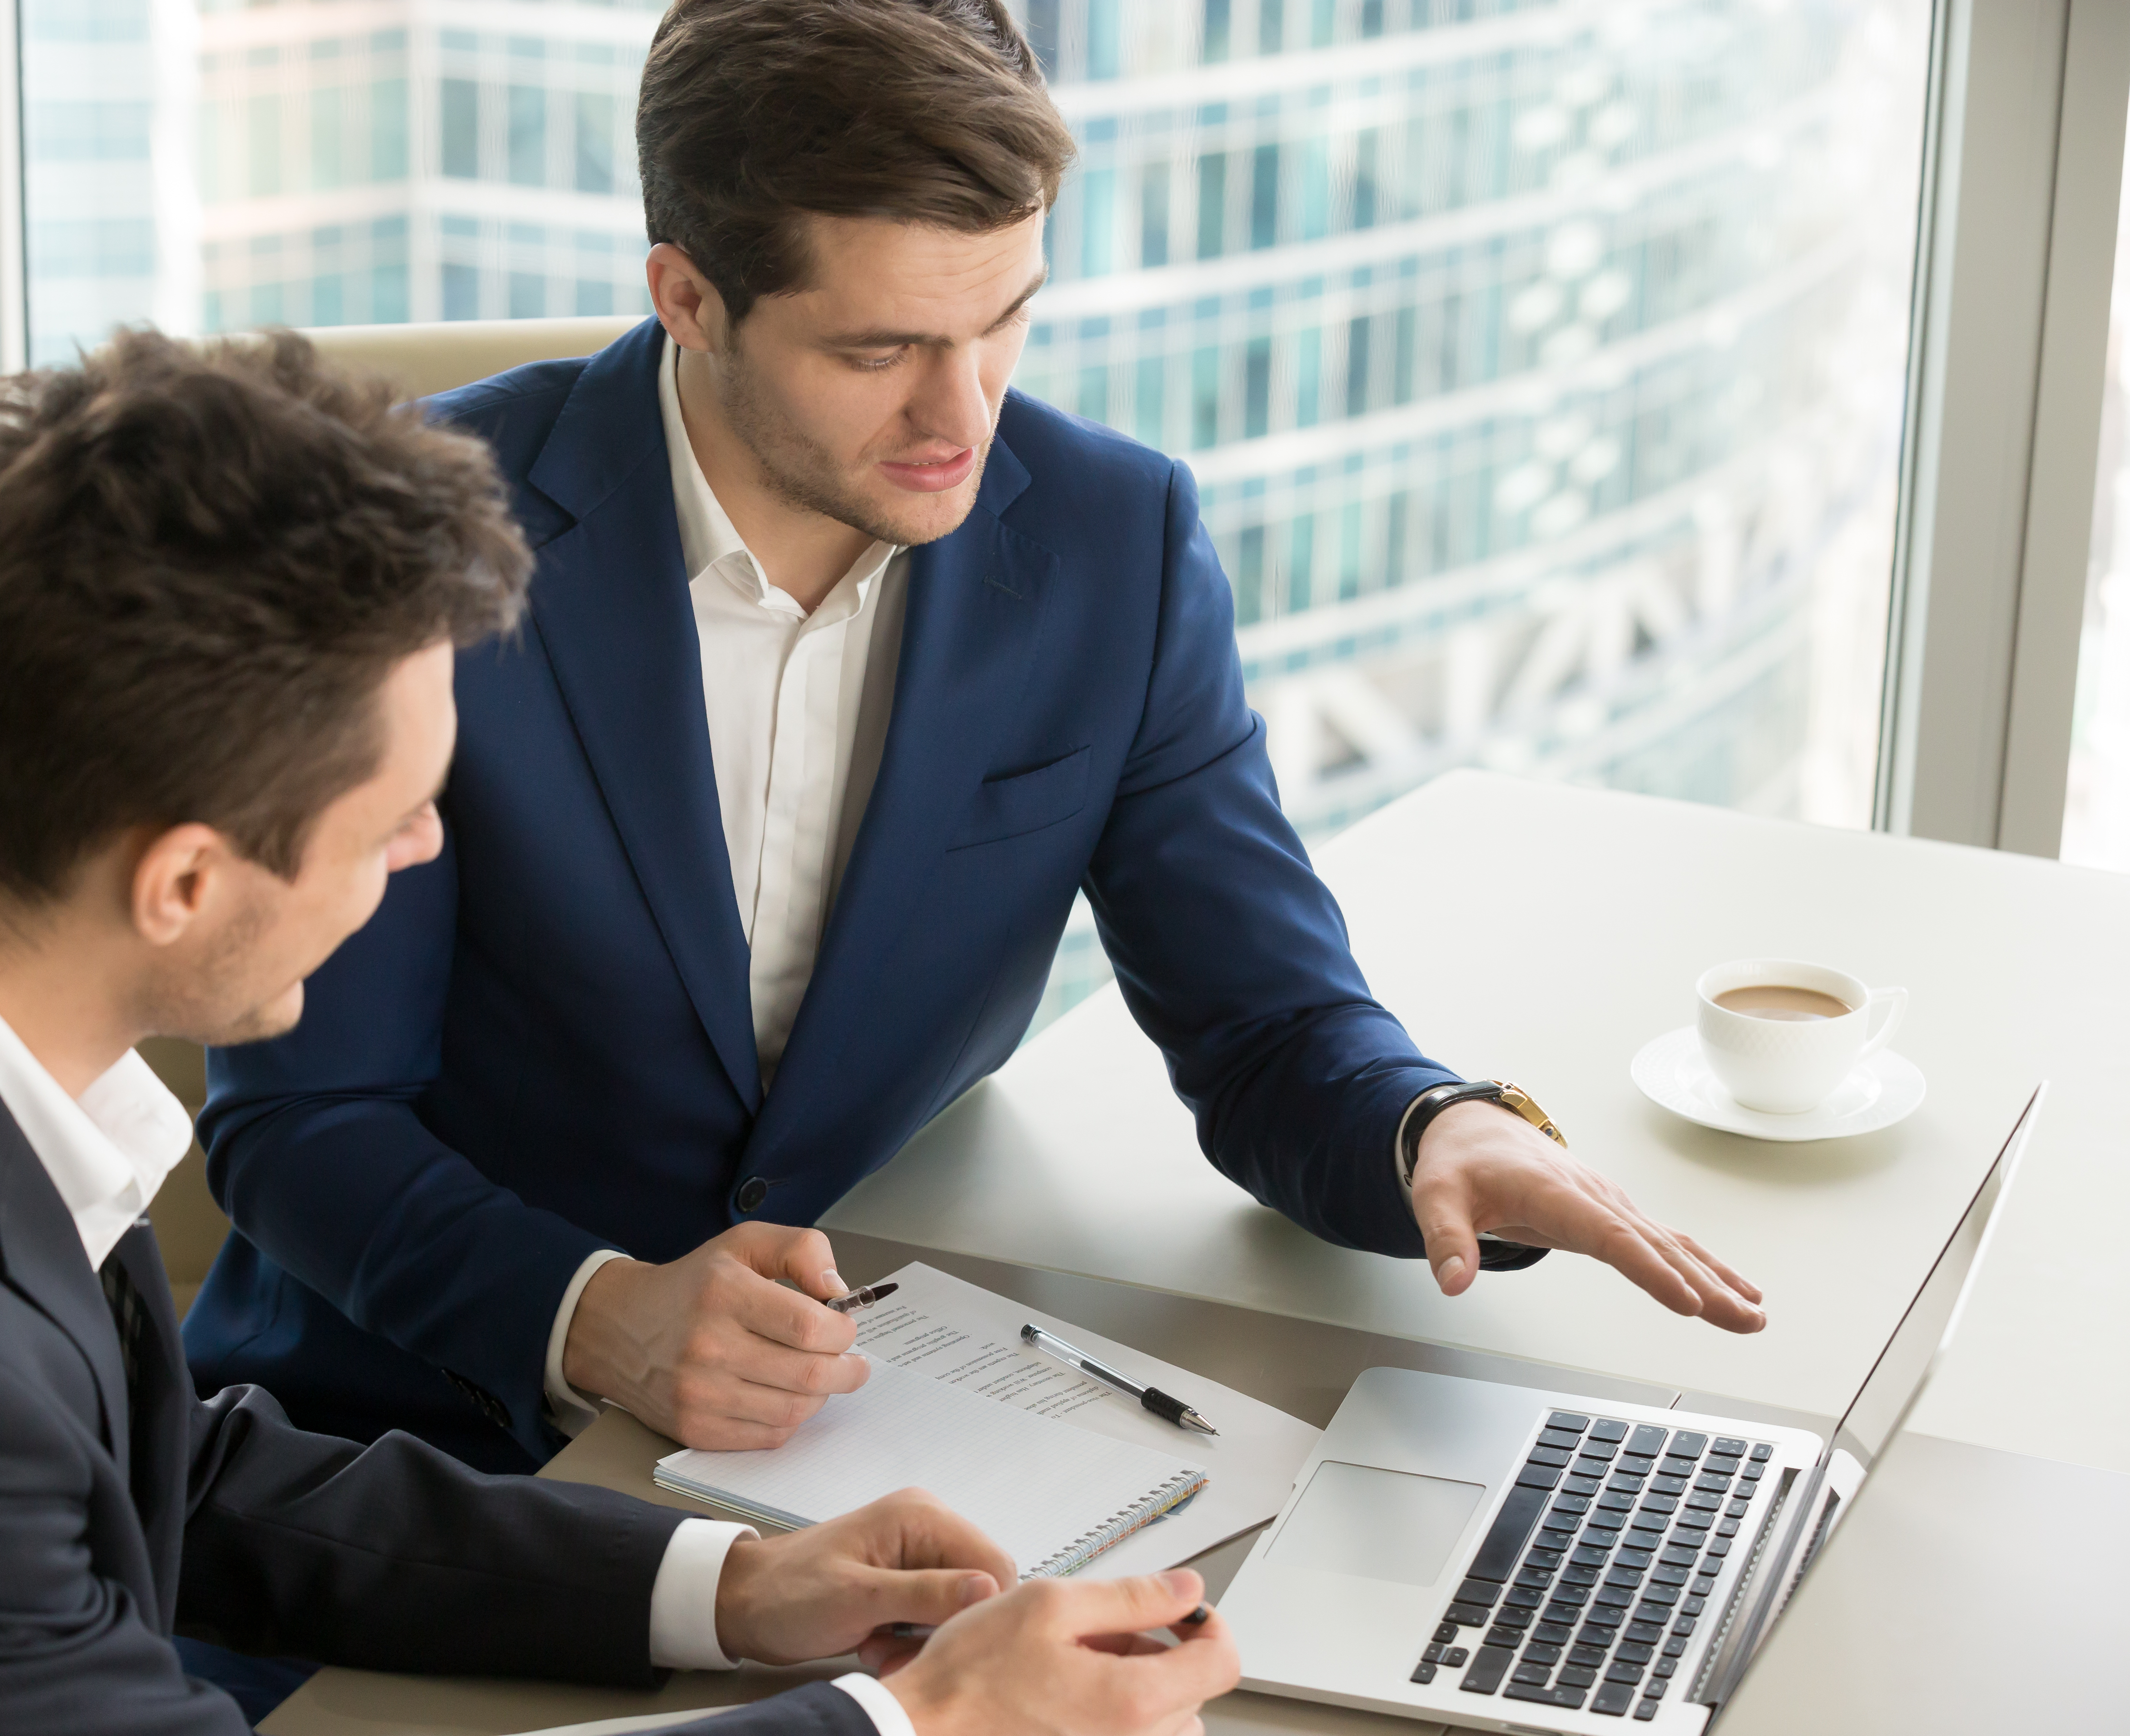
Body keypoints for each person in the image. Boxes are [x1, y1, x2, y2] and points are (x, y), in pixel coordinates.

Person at [0, 330, 1239, 1736]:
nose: (430, 853)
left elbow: (153, 1472)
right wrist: (921, 1729)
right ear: (186, 881)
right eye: (395, 817)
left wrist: (727, 1589)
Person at [185, 0, 1767, 1480]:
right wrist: (595, 1314)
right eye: (878, 353)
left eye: (1004, 320)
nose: (966, 417)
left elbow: (1264, 1022)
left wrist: (1432, 1124)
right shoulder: (396, 542)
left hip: (878, 1421)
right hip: (410, 1444)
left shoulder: (1114, 543)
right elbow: (302, 1119)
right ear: (687, 298)